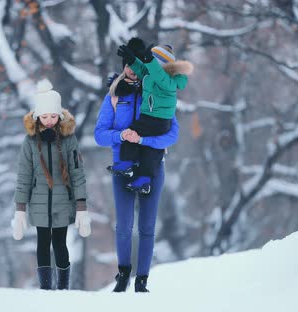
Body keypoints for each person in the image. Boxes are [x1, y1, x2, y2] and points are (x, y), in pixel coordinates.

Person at [95, 37, 180, 293]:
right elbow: (99, 134)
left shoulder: (157, 88)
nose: (131, 69)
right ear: (123, 65)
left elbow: (173, 134)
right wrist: (121, 136)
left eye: (136, 62)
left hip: (152, 167)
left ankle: (142, 281)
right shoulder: (113, 95)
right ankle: (123, 276)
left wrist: (144, 138)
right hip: (123, 164)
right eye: (127, 63)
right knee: (123, 225)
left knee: (147, 226)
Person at [12, 79, 91, 290]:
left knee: (60, 244)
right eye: (45, 116)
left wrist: (81, 207)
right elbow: (24, 175)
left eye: (53, 116)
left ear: (60, 115)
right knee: (42, 245)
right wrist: (20, 209)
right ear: (38, 116)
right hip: (38, 203)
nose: (49, 121)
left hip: (62, 202)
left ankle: (63, 288)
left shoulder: (68, 140)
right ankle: (45, 290)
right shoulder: (29, 143)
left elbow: (77, 172)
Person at [107, 43, 193, 195]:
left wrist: (150, 61)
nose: (148, 62)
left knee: (131, 133)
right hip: (154, 118)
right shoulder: (152, 71)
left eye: (152, 60)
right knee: (152, 150)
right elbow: (142, 70)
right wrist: (132, 59)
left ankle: (126, 164)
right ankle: (144, 180)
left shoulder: (169, 79)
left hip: (156, 118)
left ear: (158, 62)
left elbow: (160, 77)